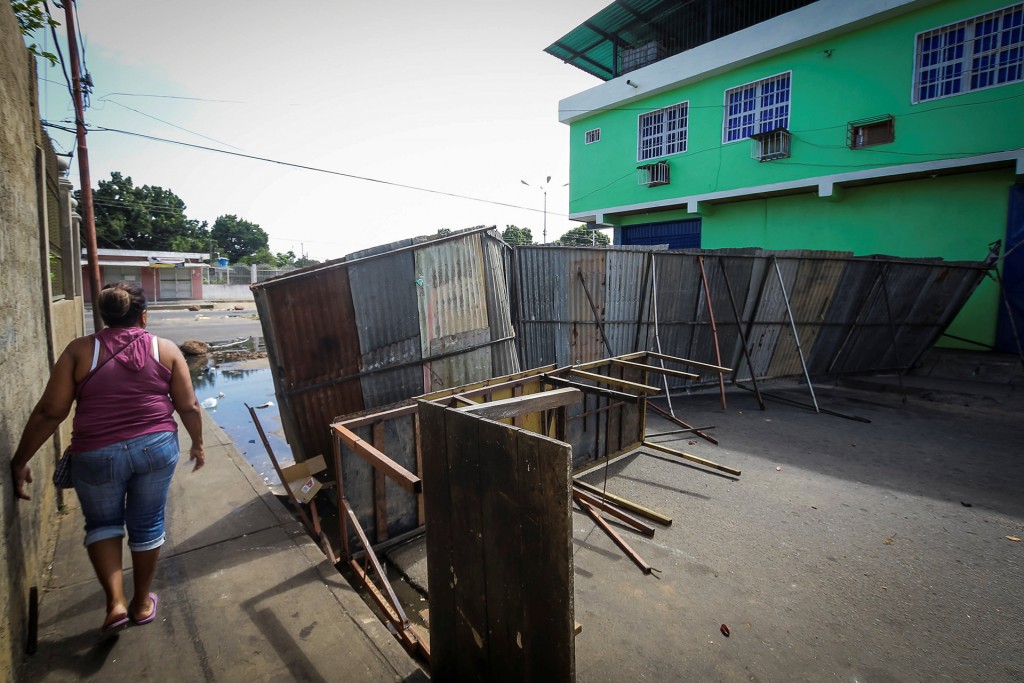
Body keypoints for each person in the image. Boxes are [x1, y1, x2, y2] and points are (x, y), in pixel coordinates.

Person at [10, 281, 205, 634]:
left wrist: (20, 459)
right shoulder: (166, 350)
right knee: (147, 524)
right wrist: (198, 443)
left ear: (103, 316)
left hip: (96, 452)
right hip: (156, 447)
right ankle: (142, 602)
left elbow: (51, 412)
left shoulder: (79, 351)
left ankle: (114, 604)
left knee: (102, 525)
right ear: (143, 316)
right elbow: (188, 405)